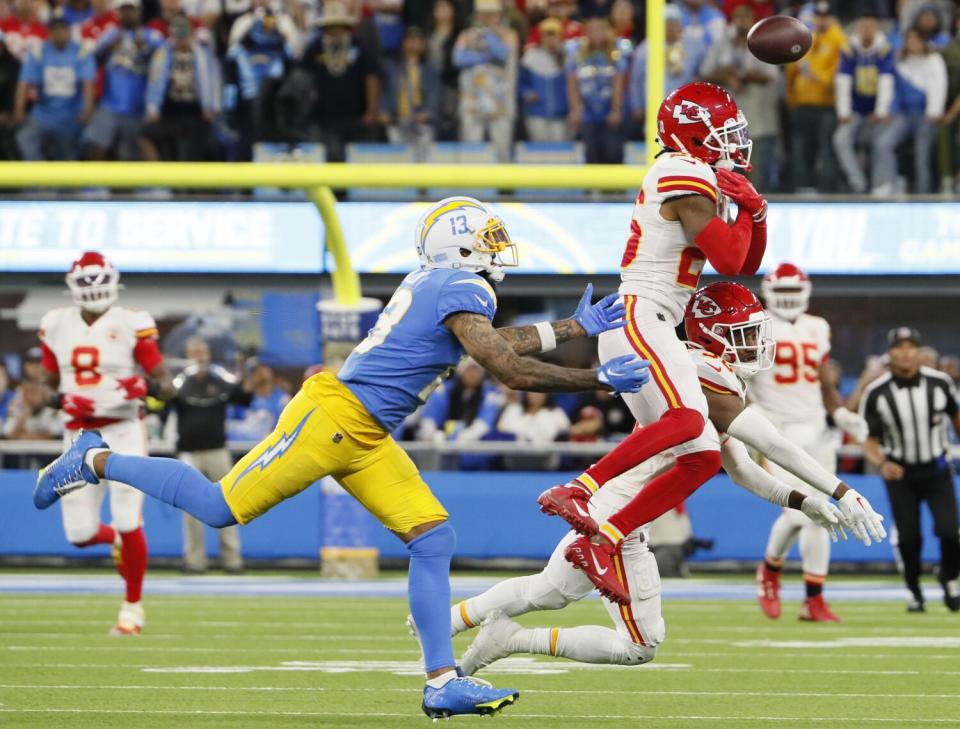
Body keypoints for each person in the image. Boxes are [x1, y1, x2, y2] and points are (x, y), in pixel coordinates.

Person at [34, 196, 651, 719]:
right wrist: (600, 379)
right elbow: (505, 367)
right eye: (486, 238)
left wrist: (571, 327)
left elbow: (487, 347)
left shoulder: (445, 285)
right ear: (459, 247)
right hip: (334, 419)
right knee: (220, 506)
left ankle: (442, 684)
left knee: (432, 537)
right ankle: (96, 458)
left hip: (366, 431)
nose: (496, 248)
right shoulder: (459, 284)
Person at [443, 283, 885, 673]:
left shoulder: (695, 374)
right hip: (619, 519)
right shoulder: (704, 373)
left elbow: (744, 470)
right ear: (714, 336)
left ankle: (451, 623)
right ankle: (508, 639)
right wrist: (840, 489)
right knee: (638, 645)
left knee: (548, 591)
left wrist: (803, 502)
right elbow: (774, 445)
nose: (755, 344)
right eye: (744, 334)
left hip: (619, 509)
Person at [538, 81, 768, 604]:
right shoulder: (682, 172)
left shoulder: (693, 172)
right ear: (693, 135)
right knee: (689, 421)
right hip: (643, 313)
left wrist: (758, 215)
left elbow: (748, 265)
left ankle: (605, 541)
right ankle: (580, 488)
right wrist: (750, 213)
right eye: (723, 132)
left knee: (701, 457)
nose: (734, 141)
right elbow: (731, 261)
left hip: (655, 318)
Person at [36, 251, 173, 635]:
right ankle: (115, 540)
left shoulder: (132, 321)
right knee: (79, 534)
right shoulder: (55, 324)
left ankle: (132, 609)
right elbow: (45, 386)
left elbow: (164, 383)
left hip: (124, 429)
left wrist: (144, 388)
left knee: (130, 518)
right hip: (77, 434)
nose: (93, 289)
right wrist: (59, 400)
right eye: (86, 281)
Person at [750, 263, 872, 622]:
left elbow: (823, 381)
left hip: (817, 427)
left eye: (793, 293)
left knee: (824, 513)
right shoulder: (755, 323)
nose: (787, 301)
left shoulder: (817, 327)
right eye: (782, 293)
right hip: (775, 428)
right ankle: (770, 571)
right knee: (801, 511)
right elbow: (742, 376)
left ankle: (813, 599)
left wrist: (840, 412)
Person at [860, 327, 960, 613]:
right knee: (909, 537)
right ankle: (915, 591)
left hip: (937, 469)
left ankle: (950, 577)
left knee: (950, 532)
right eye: (899, 347)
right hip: (900, 473)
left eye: (910, 346)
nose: (905, 352)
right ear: (890, 354)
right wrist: (882, 464)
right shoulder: (877, 392)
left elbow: (956, 420)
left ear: (919, 351)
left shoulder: (940, 384)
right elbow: (870, 442)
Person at [170, 337, 247, 574]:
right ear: (187, 355)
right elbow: (162, 403)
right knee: (191, 510)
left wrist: (245, 371)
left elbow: (243, 398)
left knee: (228, 504)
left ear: (209, 354)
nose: (198, 356)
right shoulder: (180, 382)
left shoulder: (220, 378)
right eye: (193, 352)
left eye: (202, 351)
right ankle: (194, 560)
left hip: (217, 450)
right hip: (189, 451)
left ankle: (232, 559)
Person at [699, 4, 779, 190]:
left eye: (746, 18)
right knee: (726, 173)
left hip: (757, 120)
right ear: (733, 20)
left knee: (755, 174)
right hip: (726, 123)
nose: (742, 22)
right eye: (738, 18)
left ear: (753, 21)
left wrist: (743, 75)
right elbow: (705, 71)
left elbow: (771, 75)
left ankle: (755, 211)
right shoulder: (722, 44)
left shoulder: (762, 43)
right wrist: (727, 76)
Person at [82, 0, 165, 161]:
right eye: (124, 10)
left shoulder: (151, 36)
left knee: (139, 148)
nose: (128, 14)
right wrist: (108, 47)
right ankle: (93, 184)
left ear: (139, 12)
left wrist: (147, 50)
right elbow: (91, 61)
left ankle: (154, 185)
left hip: (138, 105)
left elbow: (165, 60)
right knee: (96, 144)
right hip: (110, 103)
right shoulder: (111, 34)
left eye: (131, 10)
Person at [300, 1, 381, 163]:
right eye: (330, 27)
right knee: (330, 159)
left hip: (356, 116)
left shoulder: (359, 46)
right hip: (324, 117)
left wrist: (372, 110)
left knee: (355, 161)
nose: (334, 31)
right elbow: (303, 79)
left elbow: (372, 76)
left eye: (338, 26)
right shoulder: (315, 48)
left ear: (346, 27)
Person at [873, 27, 947, 195]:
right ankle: (891, 182)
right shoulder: (901, 61)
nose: (913, 43)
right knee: (883, 143)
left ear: (922, 41)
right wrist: (889, 110)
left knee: (922, 156)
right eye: (909, 39)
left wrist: (934, 111)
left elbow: (939, 85)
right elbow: (894, 89)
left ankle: (924, 193)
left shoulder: (933, 59)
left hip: (925, 115)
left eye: (916, 39)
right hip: (905, 115)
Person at [14, 12, 95, 161]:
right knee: (24, 138)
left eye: (63, 30)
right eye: (56, 31)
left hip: (70, 116)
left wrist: (88, 110)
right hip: (43, 114)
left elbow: (88, 84)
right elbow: (23, 83)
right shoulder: (38, 52)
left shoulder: (81, 53)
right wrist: (19, 109)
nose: (60, 34)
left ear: (69, 32)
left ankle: (62, 183)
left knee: (66, 156)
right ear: (49, 33)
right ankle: (37, 180)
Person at [140, 13, 219, 162]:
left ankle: (187, 185)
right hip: (170, 112)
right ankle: (164, 183)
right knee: (165, 150)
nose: (180, 41)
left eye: (183, 36)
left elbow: (213, 79)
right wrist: (152, 107)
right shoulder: (163, 53)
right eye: (178, 37)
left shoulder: (203, 54)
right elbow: (155, 79)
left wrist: (211, 106)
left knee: (190, 156)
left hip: (195, 112)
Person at [784, 1, 845, 193]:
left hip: (826, 104)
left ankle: (828, 189)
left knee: (826, 149)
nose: (822, 19)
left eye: (825, 16)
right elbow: (792, 70)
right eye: (818, 15)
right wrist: (792, 99)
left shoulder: (839, 40)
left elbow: (839, 73)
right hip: (803, 104)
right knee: (803, 149)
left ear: (833, 18)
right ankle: (804, 186)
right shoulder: (807, 39)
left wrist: (818, 78)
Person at [832, 12, 895, 194]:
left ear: (876, 29)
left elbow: (886, 81)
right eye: (863, 26)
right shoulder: (849, 50)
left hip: (877, 111)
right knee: (840, 139)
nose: (867, 30)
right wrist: (844, 111)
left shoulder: (884, 50)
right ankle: (857, 182)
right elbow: (843, 81)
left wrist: (882, 110)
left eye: (870, 26)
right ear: (858, 29)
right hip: (856, 110)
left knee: (880, 142)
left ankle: (880, 184)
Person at [452, 0, 518, 162]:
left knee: (502, 147)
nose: (487, 17)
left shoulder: (508, 34)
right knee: (472, 146)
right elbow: (459, 59)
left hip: (500, 101)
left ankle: (504, 186)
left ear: (499, 15)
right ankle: (474, 186)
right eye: (483, 13)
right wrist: (485, 57)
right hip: (473, 100)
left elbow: (503, 54)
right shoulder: (466, 34)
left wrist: (489, 35)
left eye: (491, 14)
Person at [629, 4, 707, 131]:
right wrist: (636, 105)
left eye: (674, 23)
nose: (670, 27)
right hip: (655, 108)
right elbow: (635, 79)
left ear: (681, 25)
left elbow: (705, 72)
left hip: (687, 111)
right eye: (666, 23)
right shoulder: (646, 48)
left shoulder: (694, 45)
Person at [565, 13, 629, 164]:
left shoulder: (616, 51)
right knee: (591, 153)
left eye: (599, 29)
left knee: (613, 153)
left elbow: (618, 82)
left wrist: (616, 109)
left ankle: (615, 187)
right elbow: (572, 82)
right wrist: (575, 109)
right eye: (591, 30)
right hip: (587, 112)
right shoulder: (576, 53)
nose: (595, 34)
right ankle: (593, 187)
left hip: (609, 111)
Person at [382, 25, 440, 159]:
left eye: (419, 40)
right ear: (404, 42)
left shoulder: (430, 68)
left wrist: (428, 113)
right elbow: (384, 90)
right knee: (397, 161)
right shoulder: (391, 66)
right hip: (397, 121)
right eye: (411, 40)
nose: (415, 43)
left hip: (421, 124)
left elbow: (435, 93)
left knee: (424, 161)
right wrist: (383, 110)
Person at [518, 16, 568, 141]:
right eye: (547, 35)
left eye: (554, 35)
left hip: (560, 113)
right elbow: (521, 81)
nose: (550, 39)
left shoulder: (568, 56)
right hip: (537, 111)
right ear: (541, 36)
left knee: (560, 149)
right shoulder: (531, 56)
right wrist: (527, 92)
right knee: (539, 150)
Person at [498, 390, 570, 470]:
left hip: (546, 461)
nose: (536, 396)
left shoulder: (556, 412)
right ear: (526, 394)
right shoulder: (513, 409)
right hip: (515, 460)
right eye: (533, 392)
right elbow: (502, 431)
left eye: (540, 393)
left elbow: (565, 432)